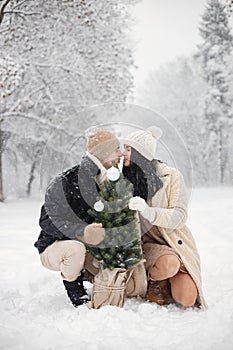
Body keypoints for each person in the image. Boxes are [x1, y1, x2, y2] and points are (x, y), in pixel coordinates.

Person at [34, 127, 147, 308]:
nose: (120, 153)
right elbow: (46, 221)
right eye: (116, 149)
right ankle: (77, 295)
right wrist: (82, 231)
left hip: (92, 249)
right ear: (103, 153)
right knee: (75, 249)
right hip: (55, 247)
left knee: (127, 282)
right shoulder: (68, 180)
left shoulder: (111, 179)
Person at [122, 126, 207, 309]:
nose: (123, 153)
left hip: (173, 243)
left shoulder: (171, 176)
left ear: (140, 154)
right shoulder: (121, 179)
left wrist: (148, 211)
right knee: (168, 263)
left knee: (187, 299)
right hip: (145, 245)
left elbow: (179, 216)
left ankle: (167, 276)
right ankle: (156, 280)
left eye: (128, 149)